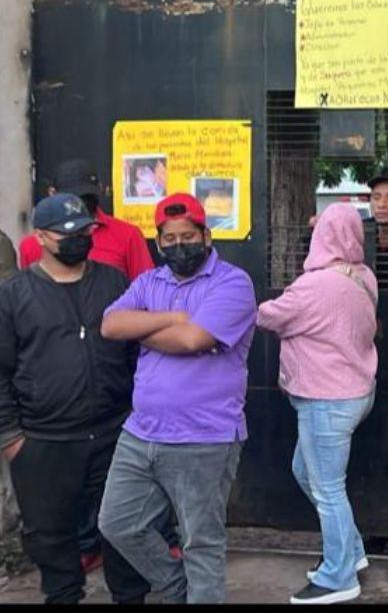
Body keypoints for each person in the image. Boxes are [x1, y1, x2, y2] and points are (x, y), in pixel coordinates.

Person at [98, 193, 257, 604]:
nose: (179, 245)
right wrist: (170, 317)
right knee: (117, 523)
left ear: (206, 235)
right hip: (141, 432)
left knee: (200, 542)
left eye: (188, 236)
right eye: (169, 239)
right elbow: (111, 325)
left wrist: (144, 328)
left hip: (204, 437)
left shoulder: (233, 283)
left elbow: (194, 339)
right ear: (158, 241)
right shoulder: (151, 281)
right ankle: (175, 587)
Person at [0, 194, 149, 604]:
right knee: (51, 538)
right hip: (43, 441)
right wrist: (12, 439)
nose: (79, 239)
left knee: (123, 529)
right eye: (68, 234)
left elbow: (138, 353)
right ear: (43, 238)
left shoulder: (114, 282)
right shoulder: (13, 296)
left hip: (114, 434)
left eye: (85, 231)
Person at [257, 204, 379, 605]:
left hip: (326, 400)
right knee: (306, 473)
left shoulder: (317, 286)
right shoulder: (363, 276)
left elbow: (269, 317)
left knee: (327, 489)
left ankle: (339, 576)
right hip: (355, 392)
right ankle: (351, 551)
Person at [19, 158, 155, 283]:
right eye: (73, 199)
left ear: (99, 190)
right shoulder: (32, 245)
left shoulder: (127, 235)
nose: (80, 204)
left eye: (87, 196)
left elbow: (147, 290)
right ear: (52, 193)